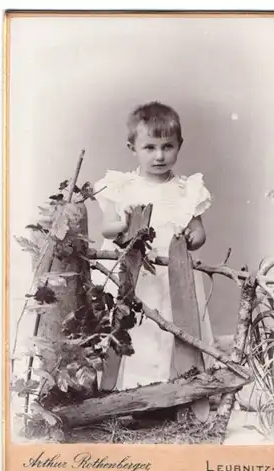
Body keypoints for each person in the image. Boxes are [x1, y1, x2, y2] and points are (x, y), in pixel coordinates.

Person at [92, 101, 213, 390]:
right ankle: (124, 391)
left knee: (172, 328)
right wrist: (122, 225)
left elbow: (199, 233)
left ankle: (172, 389)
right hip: (133, 273)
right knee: (133, 327)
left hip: (172, 275)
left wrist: (191, 238)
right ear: (132, 147)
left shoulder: (187, 190)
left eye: (167, 147)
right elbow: (107, 226)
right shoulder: (121, 186)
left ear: (179, 146)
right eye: (149, 148)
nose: (159, 156)